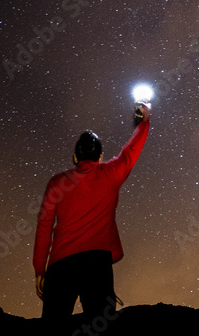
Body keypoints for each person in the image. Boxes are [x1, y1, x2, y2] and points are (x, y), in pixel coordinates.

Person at [33, 102, 150, 318]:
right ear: (100, 157)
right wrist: (144, 122)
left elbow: (44, 226)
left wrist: (40, 268)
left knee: (51, 333)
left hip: (61, 265)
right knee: (100, 331)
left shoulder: (57, 183)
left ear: (76, 158)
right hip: (97, 265)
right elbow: (130, 151)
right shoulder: (110, 174)